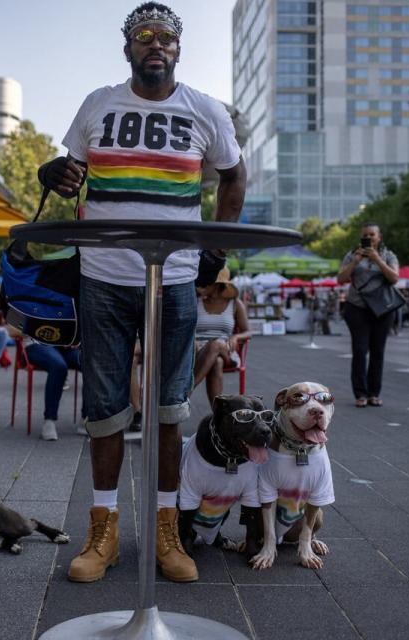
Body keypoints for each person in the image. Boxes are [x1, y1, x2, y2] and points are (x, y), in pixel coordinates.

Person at [38, 2, 246, 584]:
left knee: (169, 408)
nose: (155, 44)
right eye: (143, 36)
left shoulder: (205, 110)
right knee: (105, 410)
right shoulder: (97, 103)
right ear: (127, 47)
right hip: (103, 275)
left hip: (175, 279)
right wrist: (51, 174)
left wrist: (218, 249)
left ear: (179, 49)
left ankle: (165, 533)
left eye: (166, 38)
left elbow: (234, 174)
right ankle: (101, 533)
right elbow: (70, 173)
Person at [336, 223, 400, 407]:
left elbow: (395, 278)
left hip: (382, 309)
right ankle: (360, 394)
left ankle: (374, 393)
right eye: (365, 235)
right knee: (360, 350)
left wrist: (378, 260)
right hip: (357, 308)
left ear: (379, 237)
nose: (369, 238)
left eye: (372, 234)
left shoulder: (388, 255)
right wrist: (355, 262)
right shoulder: (352, 254)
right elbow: (340, 278)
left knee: (378, 352)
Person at [192, 267, 250, 405]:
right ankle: (219, 417)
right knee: (217, 362)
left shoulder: (235, 303)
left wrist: (236, 337)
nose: (202, 284)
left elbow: (248, 331)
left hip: (226, 350)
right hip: (198, 350)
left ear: (218, 284)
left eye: (207, 281)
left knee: (217, 344)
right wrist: (192, 340)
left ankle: (186, 391)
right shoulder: (195, 302)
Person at [21, 335, 83, 441]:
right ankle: (49, 420)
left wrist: (77, 340)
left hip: (66, 345)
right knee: (59, 366)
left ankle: (88, 418)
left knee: (90, 362)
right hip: (37, 343)